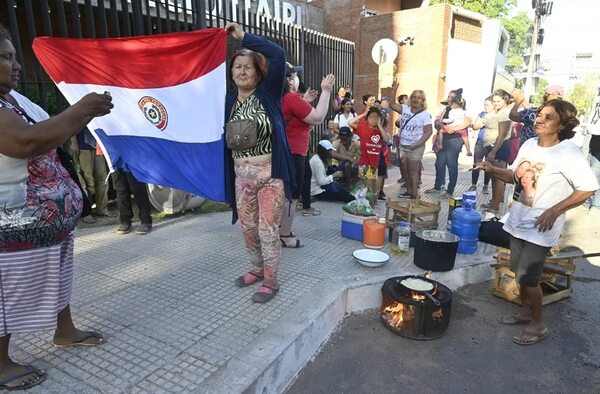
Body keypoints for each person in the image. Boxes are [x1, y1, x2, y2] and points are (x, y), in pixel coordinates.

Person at [0, 25, 111, 390]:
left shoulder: (13, 99)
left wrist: (81, 116)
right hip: (12, 224)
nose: (15, 66)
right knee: (8, 291)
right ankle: (0, 363)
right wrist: (80, 109)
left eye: (15, 57)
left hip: (48, 222)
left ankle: (65, 330)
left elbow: (48, 129)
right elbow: (25, 141)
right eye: (6, 58)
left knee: (59, 274)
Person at [476, 100, 598, 346]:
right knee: (518, 271)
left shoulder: (568, 152)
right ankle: (524, 312)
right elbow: (514, 176)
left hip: (541, 228)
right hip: (519, 219)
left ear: (562, 124)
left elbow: (588, 188)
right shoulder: (530, 144)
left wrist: (555, 210)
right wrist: (492, 170)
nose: (539, 119)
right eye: (540, 114)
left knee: (529, 277)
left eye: (548, 117)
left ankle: (538, 324)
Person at [225, 23, 295, 303]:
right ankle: (256, 269)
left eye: (248, 67)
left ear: (258, 72)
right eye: (237, 67)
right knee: (248, 228)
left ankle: (271, 280)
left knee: (267, 228)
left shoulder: (268, 95)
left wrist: (244, 38)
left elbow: (278, 54)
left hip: (270, 174)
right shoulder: (228, 102)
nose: (242, 71)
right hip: (242, 176)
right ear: (231, 73)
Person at [281, 63, 334, 226]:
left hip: (291, 151)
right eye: (295, 76)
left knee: (288, 194)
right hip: (294, 152)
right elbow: (317, 118)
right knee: (291, 196)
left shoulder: (285, 98)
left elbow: (299, 121)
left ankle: (281, 230)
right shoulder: (290, 98)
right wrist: (326, 91)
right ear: (289, 80)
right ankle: (284, 232)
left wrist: (304, 101)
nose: (297, 79)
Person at [389, 88, 433, 199]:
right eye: (414, 97)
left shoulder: (424, 114)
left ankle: (414, 193)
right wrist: (393, 91)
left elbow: (428, 131)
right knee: (405, 170)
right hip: (403, 145)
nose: (416, 100)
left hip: (416, 147)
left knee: (413, 170)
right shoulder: (405, 109)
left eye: (419, 98)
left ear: (423, 100)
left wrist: (418, 144)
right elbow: (392, 105)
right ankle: (408, 191)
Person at [474, 89, 513, 212]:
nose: (495, 103)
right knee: (493, 176)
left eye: (498, 101)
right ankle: (493, 201)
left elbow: (502, 135)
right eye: (494, 101)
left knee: (499, 177)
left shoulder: (505, 113)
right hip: (492, 146)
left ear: (505, 100)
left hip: (499, 147)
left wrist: (493, 151)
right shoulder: (499, 112)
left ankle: (496, 205)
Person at [426, 89, 469, 198]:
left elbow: (467, 123)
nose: (450, 99)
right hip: (443, 139)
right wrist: (444, 127)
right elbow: (436, 122)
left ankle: (450, 190)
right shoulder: (445, 110)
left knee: (451, 164)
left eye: (452, 97)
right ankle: (438, 186)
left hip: (455, 140)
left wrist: (452, 128)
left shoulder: (462, 112)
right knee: (439, 163)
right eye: (449, 96)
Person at [348, 107, 391, 202]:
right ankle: (370, 208)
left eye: (376, 117)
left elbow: (387, 139)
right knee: (370, 189)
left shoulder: (381, 130)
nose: (373, 119)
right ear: (367, 119)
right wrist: (363, 115)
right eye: (371, 117)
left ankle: (372, 206)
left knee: (376, 191)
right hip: (366, 163)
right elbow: (350, 122)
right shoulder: (363, 128)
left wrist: (379, 125)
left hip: (378, 163)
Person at [70, 127, 112, 224]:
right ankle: (87, 212)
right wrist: (74, 142)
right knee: (87, 180)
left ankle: (102, 209)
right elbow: (74, 123)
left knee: (102, 177)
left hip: (98, 145)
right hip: (83, 145)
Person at [112, 169, 153, 235]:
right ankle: (125, 221)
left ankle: (146, 221)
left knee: (138, 189)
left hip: (132, 162)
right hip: (115, 162)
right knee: (121, 191)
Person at [469, 96, 494, 193]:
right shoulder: (482, 114)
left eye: (487, 105)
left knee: (488, 164)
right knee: (477, 163)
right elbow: (475, 126)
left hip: (491, 142)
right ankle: (473, 185)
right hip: (480, 141)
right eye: (484, 105)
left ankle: (486, 185)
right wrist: (482, 123)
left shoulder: (497, 115)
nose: (485, 107)